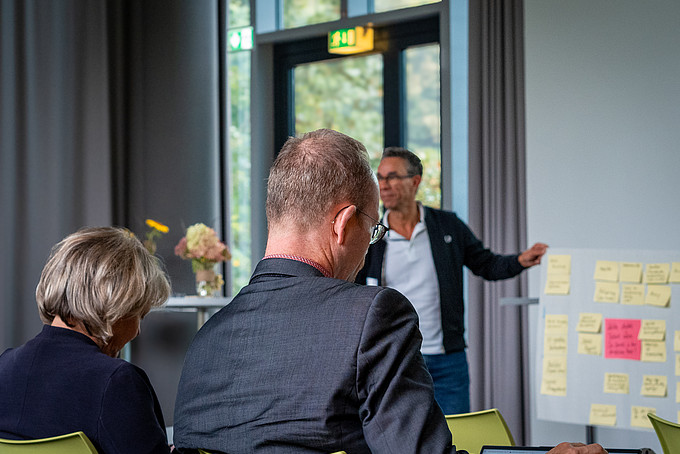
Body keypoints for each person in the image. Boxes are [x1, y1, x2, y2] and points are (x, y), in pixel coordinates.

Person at [173, 129, 454, 453]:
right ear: (343, 223)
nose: (367, 249)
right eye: (372, 229)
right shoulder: (374, 316)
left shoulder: (207, 338)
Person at [356, 147, 549, 415]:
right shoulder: (373, 234)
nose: (384, 185)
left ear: (415, 181)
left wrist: (519, 261)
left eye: (392, 177)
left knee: (458, 434)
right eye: (380, 177)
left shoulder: (446, 226)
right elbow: (354, 287)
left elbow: (486, 264)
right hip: (395, 358)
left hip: (448, 359)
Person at [0, 227, 172, 454]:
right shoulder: (117, 382)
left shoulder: (4, 367)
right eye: (139, 315)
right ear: (117, 304)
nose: (137, 331)